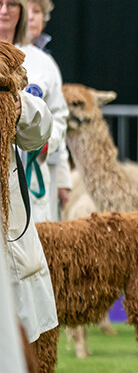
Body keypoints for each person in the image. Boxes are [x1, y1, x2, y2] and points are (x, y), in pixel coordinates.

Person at [0, 38, 58, 348]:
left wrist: (20, 106)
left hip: (9, 218)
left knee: (14, 342)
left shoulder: (11, 64)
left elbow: (38, 132)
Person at [0, 0, 68, 225]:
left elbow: (59, 115)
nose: (4, 11)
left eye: (12, 4)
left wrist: (45, 144)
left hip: (32, 172)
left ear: (22, 10)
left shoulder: (43, 62)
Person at [24, 0, 71, 219]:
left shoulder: (47, 64)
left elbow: (58, 118)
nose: (31, 16)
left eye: (37, 11)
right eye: (27, 9)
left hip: (43, 163)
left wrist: (64, 177)